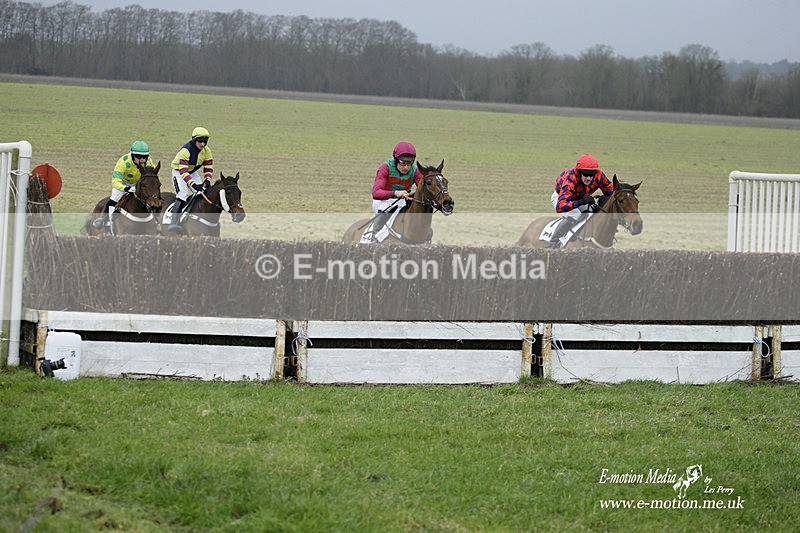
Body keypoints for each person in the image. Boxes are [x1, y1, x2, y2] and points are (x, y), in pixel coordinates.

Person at [547, 153, 614, 248]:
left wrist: (604, 199)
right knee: (575, 214)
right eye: (586, 175)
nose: (589, 178)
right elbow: (561, 206)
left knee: (594, 213)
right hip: (561, 198)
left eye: (591, 175)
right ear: (579, 172)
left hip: (581, 198)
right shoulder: (570, 179)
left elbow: (611, 192)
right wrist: (581, 202)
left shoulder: (599, 175)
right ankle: (552, 244)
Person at [368, 141, 426, 239]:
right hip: (383, 201)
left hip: (402, 201)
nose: (406, 167)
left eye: (409, 164)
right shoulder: (385, 167)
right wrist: (395, 193)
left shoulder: (415, 170)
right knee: (385, 210)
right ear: (396, 160)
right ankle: (374, 238)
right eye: (403, 163)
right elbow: (376, 193)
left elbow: (423, 189)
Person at [93, 140, 154, 229]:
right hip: (123, 183)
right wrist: (125, 188)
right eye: (138, 156)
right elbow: (115, 181)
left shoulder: (148, 162)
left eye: (144, 157)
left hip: (139, 183)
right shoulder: (123, 162)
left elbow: (151, 177)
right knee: (114, 198)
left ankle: (156, 221)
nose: (142, 160)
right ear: (132, 156)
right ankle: (104, 220)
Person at [166, 126, 214, 232]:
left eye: (205, 141)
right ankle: (173, 222)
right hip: (179, 171)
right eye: (200, 141)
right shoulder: (186, 150)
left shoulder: (207, 151)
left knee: (201, 193)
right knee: (182, 194)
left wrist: (207, 179)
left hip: (191, 172)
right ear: (194, 140)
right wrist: (192, 184)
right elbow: (183, 171)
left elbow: (208, 167)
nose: (203, 144)